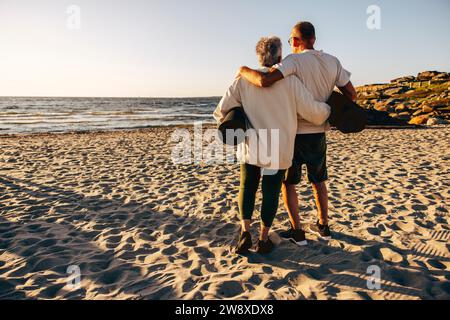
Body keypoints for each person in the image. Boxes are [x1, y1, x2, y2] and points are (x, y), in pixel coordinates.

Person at [238, 22, 357, 243]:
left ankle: (297, 230)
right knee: (319, 180)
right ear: (314, 38)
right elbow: (351, 94)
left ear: (296, 40)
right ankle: (324, 226)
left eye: (291, 39)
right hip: (319, 131)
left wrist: (244, 71)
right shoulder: (333, 61)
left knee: (288, 183)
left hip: (293, 133)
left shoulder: (292, 61)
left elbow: (266, 81)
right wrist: (331, 109)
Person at [214, 36, 331, 254]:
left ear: (258, 57)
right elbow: (313, 112)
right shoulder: (291, 82)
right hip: (279, 147)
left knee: (247, 187)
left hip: (252, 146)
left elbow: (221, 112)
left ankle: (245, 233)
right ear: (279, 56)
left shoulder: (242, 81)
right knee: (271, 191)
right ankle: (264, 238)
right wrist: (329, 110)